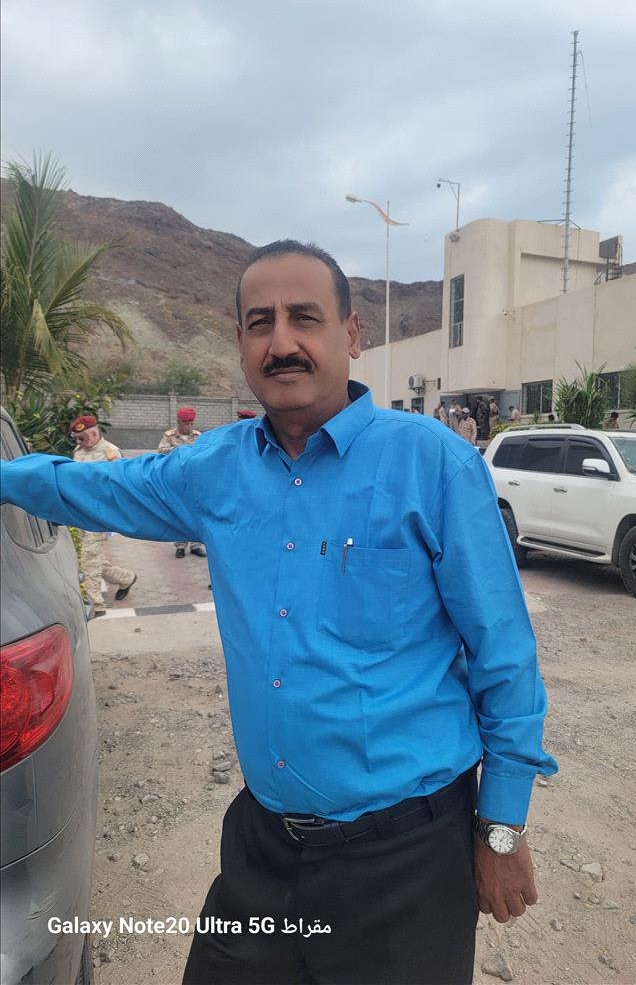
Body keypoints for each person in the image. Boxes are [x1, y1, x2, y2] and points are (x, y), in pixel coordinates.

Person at [1, 240, 556, 985]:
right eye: (260, 322)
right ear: (240, 343)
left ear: (351, 334)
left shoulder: (434, 465)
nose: (282, 341)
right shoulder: (213, 468)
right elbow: (86, 488)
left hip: (407, 859)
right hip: (264, 847)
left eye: (305, 317)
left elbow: (504, 654)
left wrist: (501, 829)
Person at [69, 414, 136, 616]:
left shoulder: (111, 453)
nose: (79, 441)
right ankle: (126, 578)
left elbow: (120, 486)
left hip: (100, 515)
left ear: (94, 433)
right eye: (77, 438)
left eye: (82, 438)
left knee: (89, 558)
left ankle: (96, 605)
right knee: (92, 558)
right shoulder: (79, 451)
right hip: (82, 513)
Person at [158, 407, 206, 558]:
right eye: (186, 424)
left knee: (196, 512)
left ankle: (196, 545)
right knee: (179, 512)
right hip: (176, 478)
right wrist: (178, 450)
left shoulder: (198, 436)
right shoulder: (169, 436)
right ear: (179, 422)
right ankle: (180, 545)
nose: (189, 427)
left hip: (194, 480)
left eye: (191, 423)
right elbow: (161, 450)